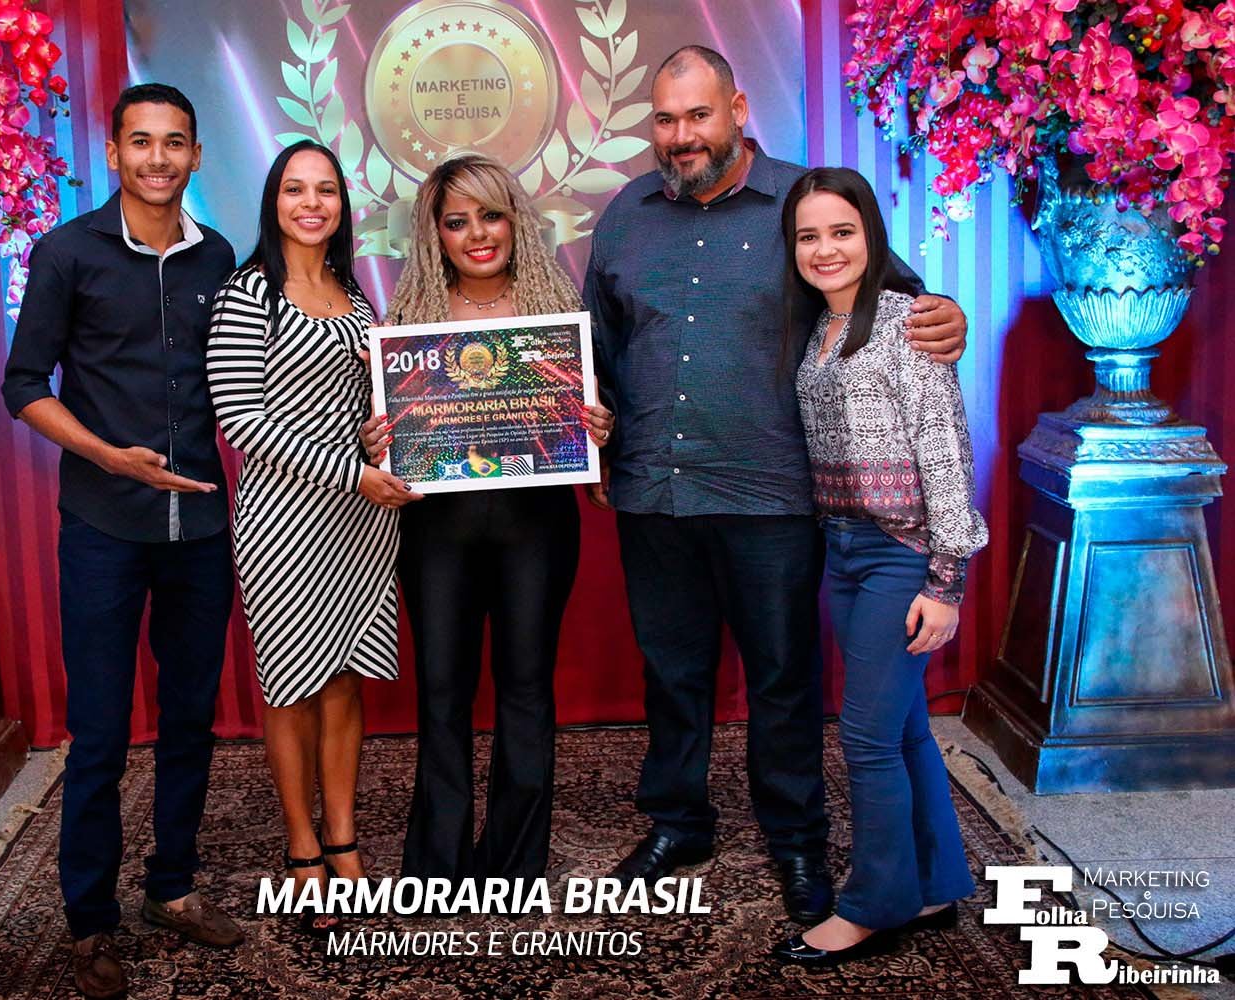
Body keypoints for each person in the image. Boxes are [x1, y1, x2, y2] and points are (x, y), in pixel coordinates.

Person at [583, 45, 967, 924]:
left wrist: (948, 316)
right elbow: (598, 345)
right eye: (666, 119)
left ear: (738, 108)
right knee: (671, 672)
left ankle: (796, 840)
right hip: (653, 490)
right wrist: (589, 436)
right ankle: (678, 824)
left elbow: (896, 303)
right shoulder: (627, 213)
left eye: (699, 115)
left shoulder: (804, 204)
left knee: (784, 681)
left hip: (775, 497)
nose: (681, 135)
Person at [1, 83, 243, 999]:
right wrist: (107, 455)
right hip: (103, 526)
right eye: (140, 142)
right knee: (100, 732)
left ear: (195, 155)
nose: (157, 158)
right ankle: (89, 920)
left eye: (174, 143)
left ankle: (172, 887)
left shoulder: (217, 256)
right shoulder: (66, 252)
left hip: (202, 527)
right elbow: (24, 384)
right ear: (113, 153)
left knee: (191, 719)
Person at [360, 153, 614, 882]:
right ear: (434, 235)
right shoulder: (408, 322)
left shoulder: (556, 314)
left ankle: (515, 863)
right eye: (457, 221)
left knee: (526, 688)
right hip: (436, 532)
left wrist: (598, 425)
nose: (477, 234)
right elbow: (381, 439)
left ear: (516, 222)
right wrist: (377, 440)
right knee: (442, 691)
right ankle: (437, 865)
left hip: (536, 525)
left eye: (491, 215)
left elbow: (586, 428)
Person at [771, 166, 984, 965]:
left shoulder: (907, 323)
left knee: (864, 738)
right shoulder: (820, 328)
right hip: (845, 547)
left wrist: (946, 581)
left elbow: (946, 450)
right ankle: (934, 882)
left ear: (871, 234)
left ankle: (872, 904)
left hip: (902, 551)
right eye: (808, 236)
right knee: (904, 729)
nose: (825, 249)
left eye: (842, 231)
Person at [205, 140, 417, 934]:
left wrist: (380, 437)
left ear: (341, 205)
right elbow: (243, 423)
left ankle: (343, 839)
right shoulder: (247, 294)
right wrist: (350, 471)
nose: (311, 204)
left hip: (362, 525)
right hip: (284, 525)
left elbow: (366, 411)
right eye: (295, 189)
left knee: (345, 683)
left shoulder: (356, 297)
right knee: (291, 688)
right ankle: (301, 847)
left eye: (325, 190)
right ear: (274, 201)